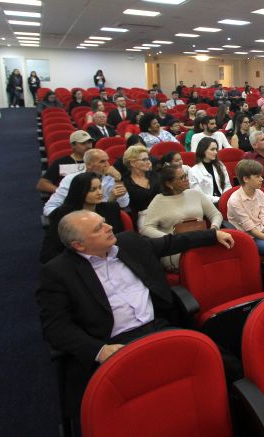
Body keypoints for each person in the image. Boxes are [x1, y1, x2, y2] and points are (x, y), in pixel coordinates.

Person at [36, 209, 234, 416]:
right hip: (113, 343)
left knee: (217, 359)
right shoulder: (57, 273)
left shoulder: (129, 243)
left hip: (157, 327)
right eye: (98, 228)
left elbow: (172, 242)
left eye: (104, 221)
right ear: (79, 245)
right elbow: (55, 327)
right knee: (151, 400)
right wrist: (99, 350)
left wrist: (213, 235)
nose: (109, 227)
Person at [140, 165, 224, 271]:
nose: (187, 179)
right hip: (177, 248)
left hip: (201, 240)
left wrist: (213, 229)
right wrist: (169, 239)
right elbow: (146, 228)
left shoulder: (195, 194)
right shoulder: (158, 201)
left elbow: (216, 214)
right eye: (182, 178)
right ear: (169, 184)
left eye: (186, 176)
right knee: (199, 261)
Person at [40, 172, 125, 263]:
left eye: (100, 187)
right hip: (79, 261)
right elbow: (49, 252)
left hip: (111, 257)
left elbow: (120, 239)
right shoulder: (63, 214)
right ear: (80, 192)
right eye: (92, 190)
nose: (99, 192)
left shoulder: (111, 208)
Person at [44, 149, 129, 216]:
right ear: (88, 165)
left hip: (104, 218)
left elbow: (124, 204)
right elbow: (49, 208)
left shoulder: (112, 178)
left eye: (107, 160)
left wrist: (118, 179)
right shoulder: (71, 179)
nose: (107, 164)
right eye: (102, 161)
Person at [227, 160, 264, 256]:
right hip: (248, 237)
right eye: (257, 176)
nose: (262, 179)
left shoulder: (260, 193)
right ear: (246, 179)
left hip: (261, 230)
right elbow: (251, 230)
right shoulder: (235, 200)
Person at [188, 137, 231, 205]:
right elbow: (199, 195)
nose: (216, 152)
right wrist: (219, 199)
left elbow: (228, 185)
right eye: (212, 149)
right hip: (206, 204)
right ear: (203, 150)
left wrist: (224, 198)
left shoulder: (220, 165)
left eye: (216, 149)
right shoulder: (193, 171)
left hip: (223, 200)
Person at [121, 145, 160, 219]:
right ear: (132, 163)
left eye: (148, 159)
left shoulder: (156, 176)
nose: (148, 162)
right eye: (144, 160)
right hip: (142, 217)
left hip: (162, 212)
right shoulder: (125, 183)